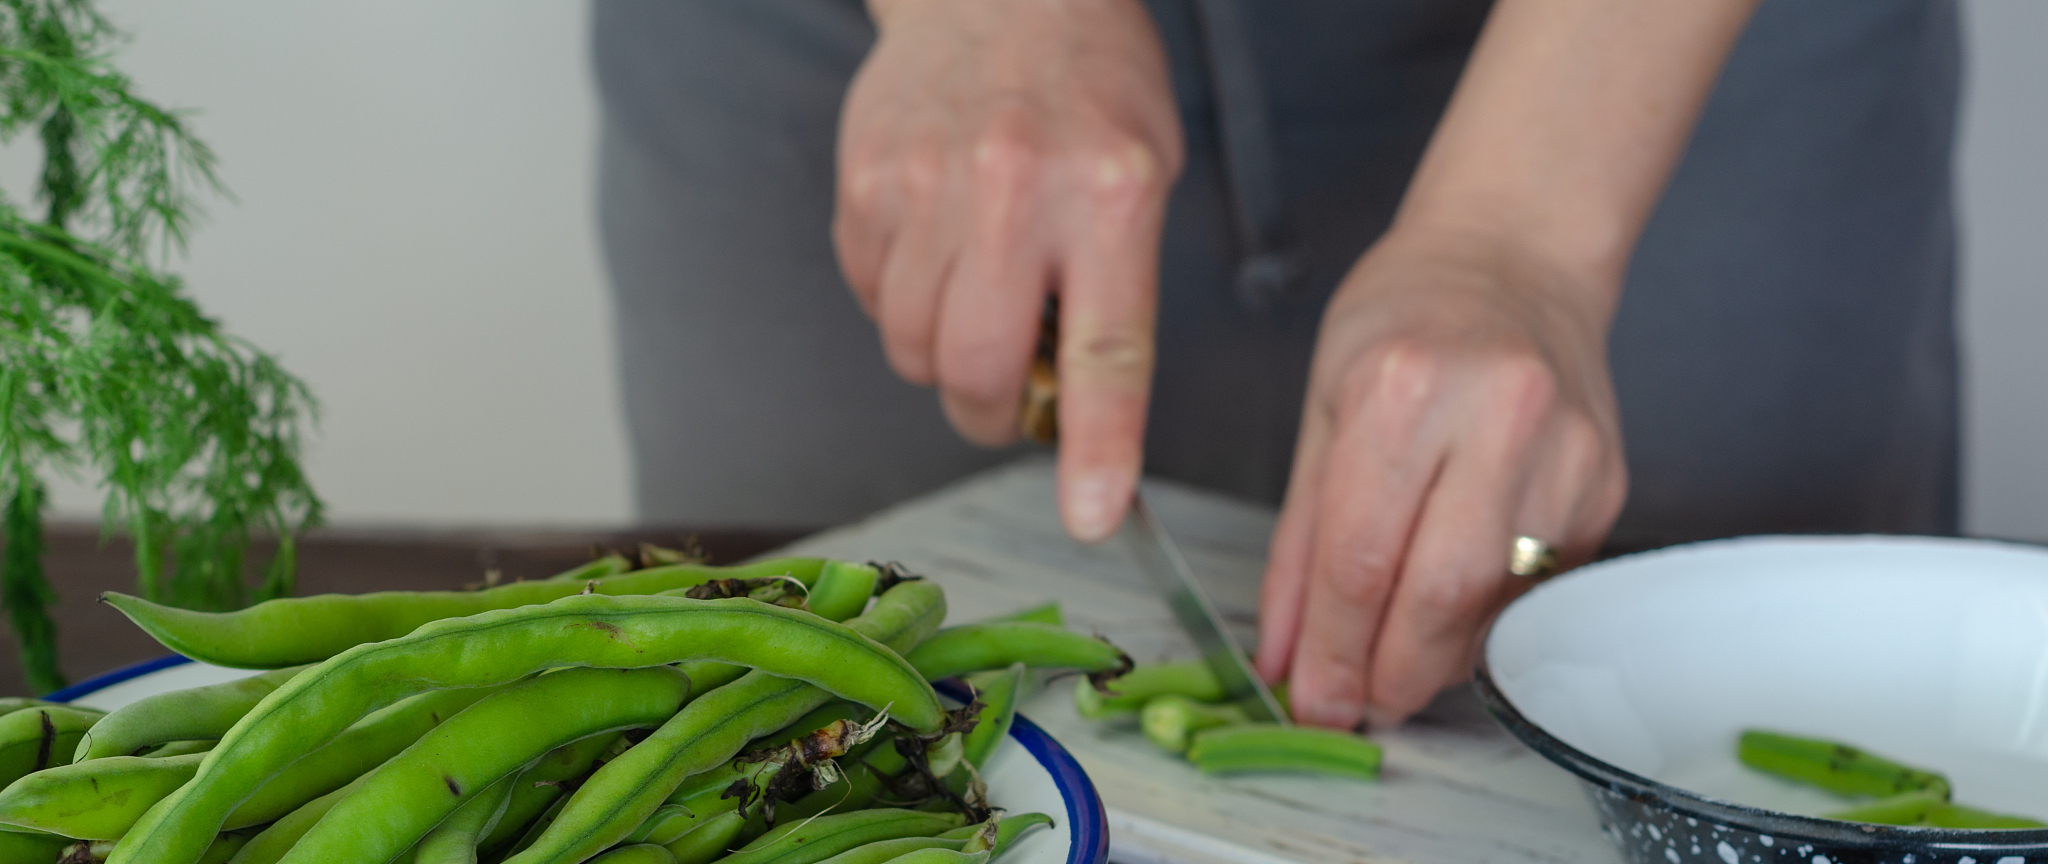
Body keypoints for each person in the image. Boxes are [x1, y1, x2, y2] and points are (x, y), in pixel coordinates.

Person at [594, 0, 1959, 729]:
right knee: (787, 712)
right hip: (866, 49)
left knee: (1750, 727)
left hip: (1647, 53)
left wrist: (1525, 233)